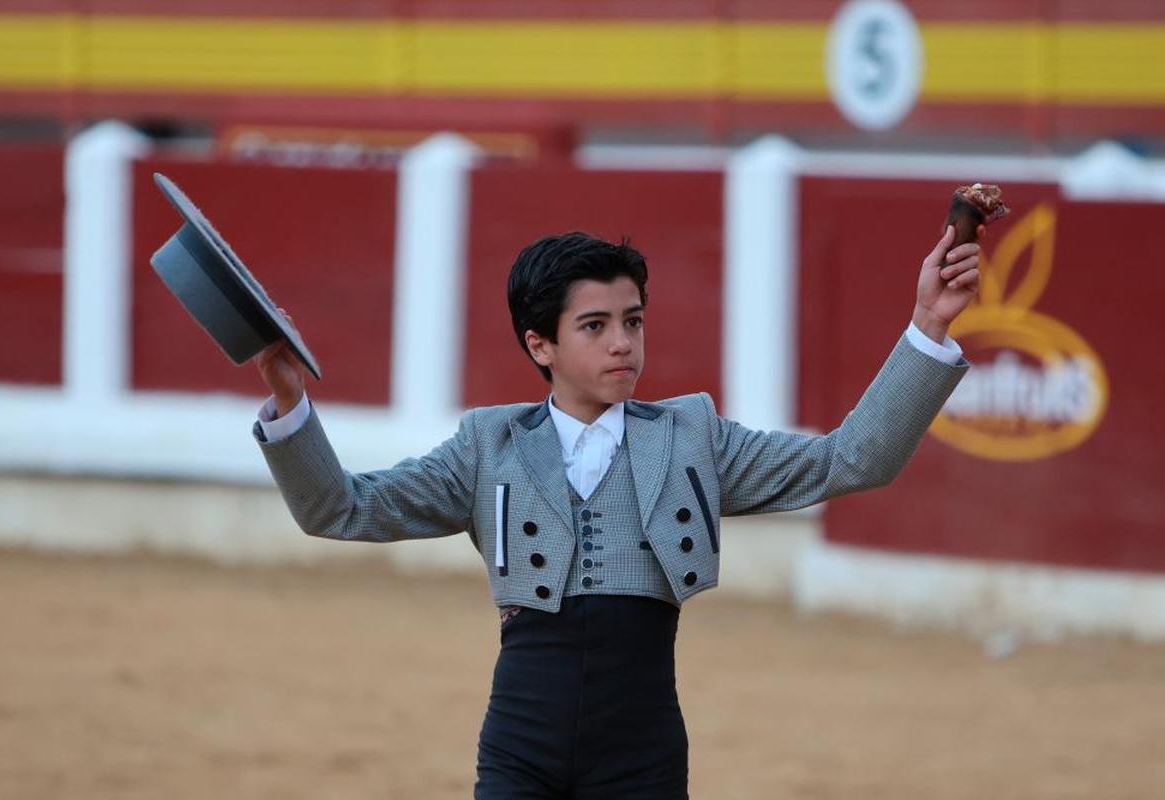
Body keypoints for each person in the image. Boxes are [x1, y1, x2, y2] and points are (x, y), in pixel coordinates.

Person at [251, 224, 982, 799]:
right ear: (540, 344)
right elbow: (341, 508)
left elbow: (851, 459)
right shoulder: (488, 445)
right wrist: (290, 402)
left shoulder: (694, 439)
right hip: (520, 742)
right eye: (595, 326)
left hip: (642, 752)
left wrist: (929, 326)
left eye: (632, 320)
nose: (624, 344)